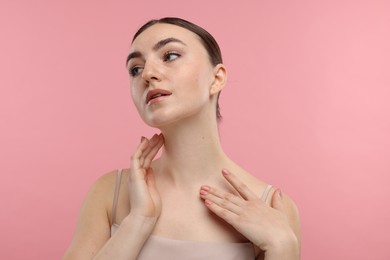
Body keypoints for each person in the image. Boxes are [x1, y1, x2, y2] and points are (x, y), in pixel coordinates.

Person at [63, 17, 300, 260]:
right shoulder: (109, 193)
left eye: (170, 56)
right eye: (136, 69)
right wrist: (137, 222)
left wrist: (283, 248)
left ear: (216, 78)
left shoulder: (271, 206)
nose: (148, 74)